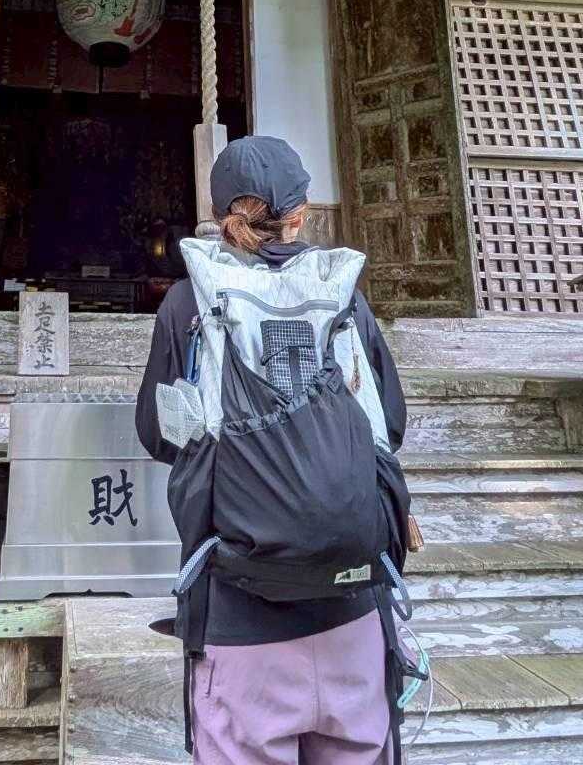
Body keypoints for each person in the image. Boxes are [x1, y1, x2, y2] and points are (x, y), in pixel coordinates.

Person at [136, 136, 407, 765]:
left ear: (222, 216)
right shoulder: (341, 294)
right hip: (352, 608)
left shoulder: (190, 301)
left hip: (239, 614)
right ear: (300, 215)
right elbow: (388, 426)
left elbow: (158, 432)